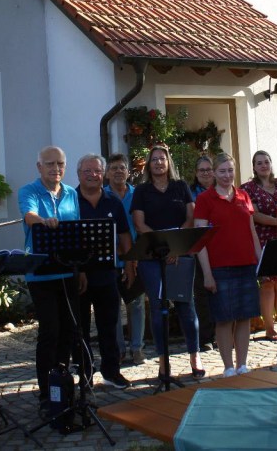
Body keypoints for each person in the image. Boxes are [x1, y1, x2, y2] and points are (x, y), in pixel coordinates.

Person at [130, 144, 205, 379]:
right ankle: (163, 362)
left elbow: (191, 217)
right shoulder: (142, 191)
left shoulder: (180, 187)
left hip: (179, 254)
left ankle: (195, 356)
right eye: (154, 159)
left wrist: (174, 247)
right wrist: (162, 247)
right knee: (159, 306)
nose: (159, 163)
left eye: (162, 159)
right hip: (152, 257)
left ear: (168, 162)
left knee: (186, 305)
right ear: (149, 165)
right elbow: (139, 224)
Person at [19, 146, 82, 414]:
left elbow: (77, 229)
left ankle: (62, 382)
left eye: (60, 164)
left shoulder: (70, 193)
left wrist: (82, 270)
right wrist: (44, 221)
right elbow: (29, 215)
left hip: (68, 271)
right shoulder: (29, 190)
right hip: (41, 272)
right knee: (50, 331)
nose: (56, 169)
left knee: (69, 330)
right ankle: (47, 392)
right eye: (50, 164)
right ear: (39, 167)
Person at [195, 154, 262, 377]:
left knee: (244, 317)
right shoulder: (205, 199)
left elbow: (252, 231)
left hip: (246, 265)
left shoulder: (244, 196)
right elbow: (199, 240)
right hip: (219, 268)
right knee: (224, 319)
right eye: (222, 171)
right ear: (214, 173)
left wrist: (260, 261)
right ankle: (228, 367)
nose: (227, 175)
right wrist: (207, 274)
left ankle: (242, 364)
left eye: (230, 170)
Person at [75, 154, 133, 389]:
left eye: (97, 171)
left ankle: (111, 372)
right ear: (79, 174)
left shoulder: (113, 200)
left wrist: (130, 264)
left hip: (108, 273)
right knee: (79, 330)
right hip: (79, 276)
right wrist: (78, 270)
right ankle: (85, 374)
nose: (92, 175)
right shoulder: (70, 200)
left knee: (109, 326)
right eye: (87, 171)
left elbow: (125, 235)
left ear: (104, 173)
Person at [240, 150, 277, 341]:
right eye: (259, 163)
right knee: (268, 284)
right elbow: (254, 214)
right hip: (262, 239)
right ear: (254, 167)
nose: (263, 165)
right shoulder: (248, 188)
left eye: (266, 162)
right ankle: (269, 328)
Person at [105, 153, 147, 365]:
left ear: (128, 172)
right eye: (114, 168)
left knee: (136, 304)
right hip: (110, 259)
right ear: (107, 173)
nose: (118, 171)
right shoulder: (102, 196)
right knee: (113, 306)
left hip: (135, 257)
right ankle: (119, 349)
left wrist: (137, 255)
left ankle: (137, 348)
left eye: (122, 167)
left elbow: (141, 227)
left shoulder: (137, 194)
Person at [189, 155, 217, 352]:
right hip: (199, 248)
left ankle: (222, 333)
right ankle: (206, 337)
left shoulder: (222, 190)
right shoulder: (190, 194)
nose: (206, 173)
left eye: (209, 169)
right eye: (202, 170)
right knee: (202, 293)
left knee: (221, 291)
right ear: (196, 174)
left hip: (220, 246)